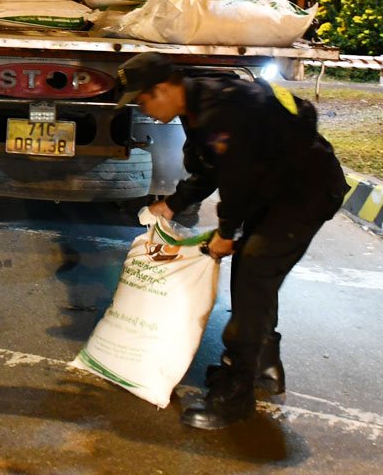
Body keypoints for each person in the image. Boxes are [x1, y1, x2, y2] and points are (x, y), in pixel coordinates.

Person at [115, 52, 345, 430]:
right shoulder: (195, 105)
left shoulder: (222, 107)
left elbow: (236, 177)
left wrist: (225, 233)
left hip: (305, 193)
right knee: (253, 278)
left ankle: (236, 394)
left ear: (162, 89)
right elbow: (211, 167)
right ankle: (265, 368)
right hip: (274, 191)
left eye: (143, 100)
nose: (144, 109)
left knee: (254, 273)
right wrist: (173, 205)